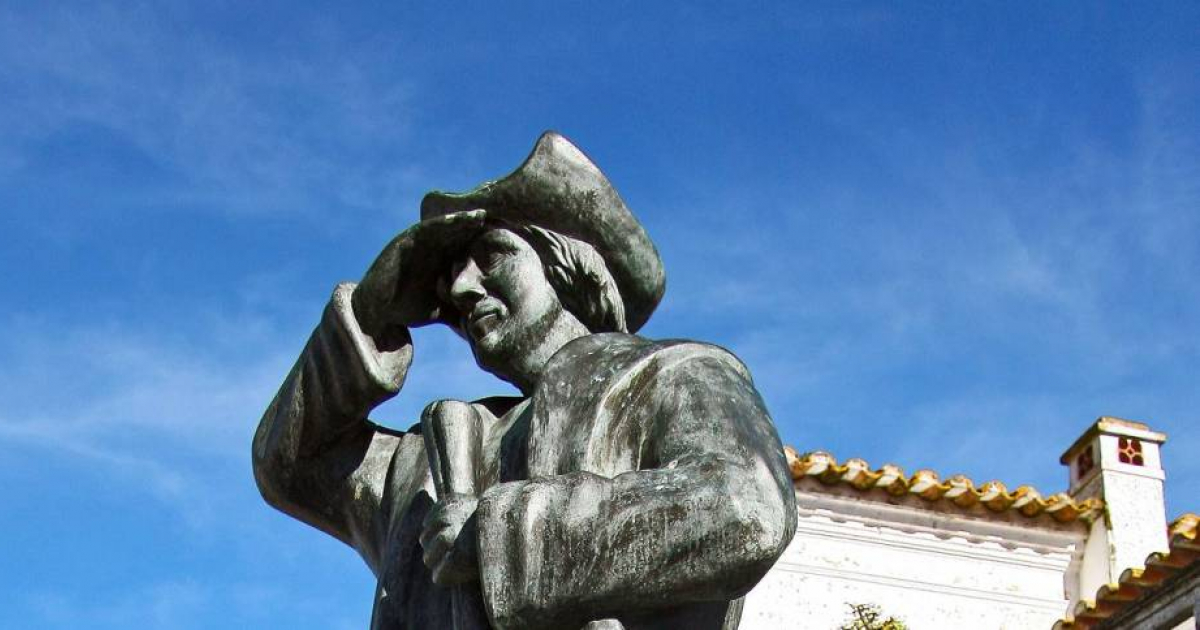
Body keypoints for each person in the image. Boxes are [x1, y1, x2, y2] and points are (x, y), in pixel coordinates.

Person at [253, 132, 797, 630]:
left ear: (570, 265)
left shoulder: (670, 377)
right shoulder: (418, 465)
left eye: (492, 255)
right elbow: (289, 466)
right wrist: (367, 318)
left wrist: (499, 539)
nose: (463, 288)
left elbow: (747, 507)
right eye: (447, 278)